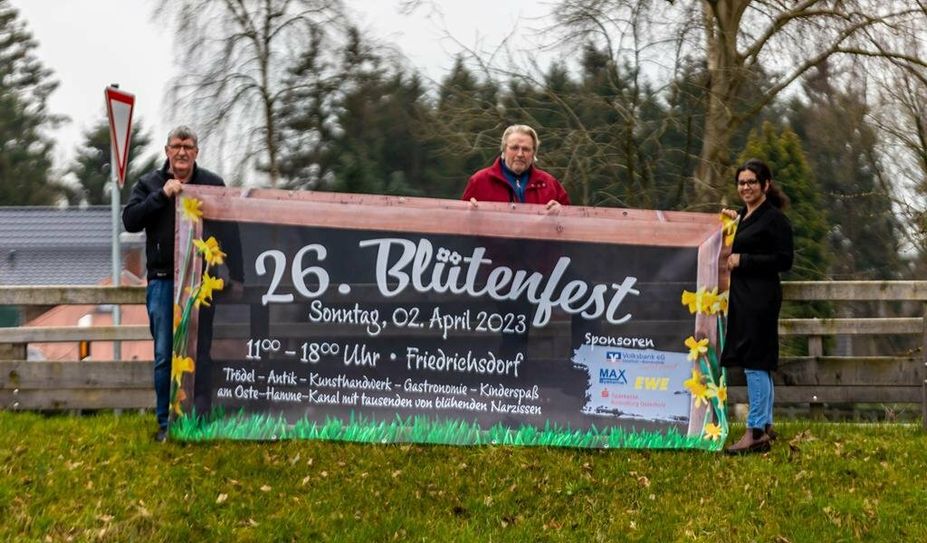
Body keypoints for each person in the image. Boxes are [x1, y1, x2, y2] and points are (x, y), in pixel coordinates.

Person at [122, 126, 242, 442]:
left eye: (188, 146)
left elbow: (230, 229)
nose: (182, 152)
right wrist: (162, 196)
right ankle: (166, 423)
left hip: (201, 284)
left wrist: (238, 273)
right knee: (164, 353)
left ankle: (199, 420)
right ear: (167, 151)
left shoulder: (213, 185)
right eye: (176, 146)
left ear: (196, 152)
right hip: (163, 281)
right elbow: (130, 220)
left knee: (201, 352)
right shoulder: (149, 183)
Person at [720, 158, 794, 455]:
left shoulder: (774, 219)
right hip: (743, 296)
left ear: (766, 185)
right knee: (757, 360)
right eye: (741, 182)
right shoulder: (744, 215)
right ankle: (765, 426)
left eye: (751, 181)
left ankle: (754, 432)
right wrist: (730, 221)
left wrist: (744, 260)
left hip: (760, 297)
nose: (746, 187)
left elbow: (784, 260)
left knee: (755, 362)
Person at [462, 124, 570, 210]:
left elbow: (571, 223)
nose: (520, 154)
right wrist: (468, 213)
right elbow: (459, 222)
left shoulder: (549, 184)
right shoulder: (480, 181)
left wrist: (562, 213)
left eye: (526, 149)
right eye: (514, 148)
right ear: (504, 149)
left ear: (533, 153)